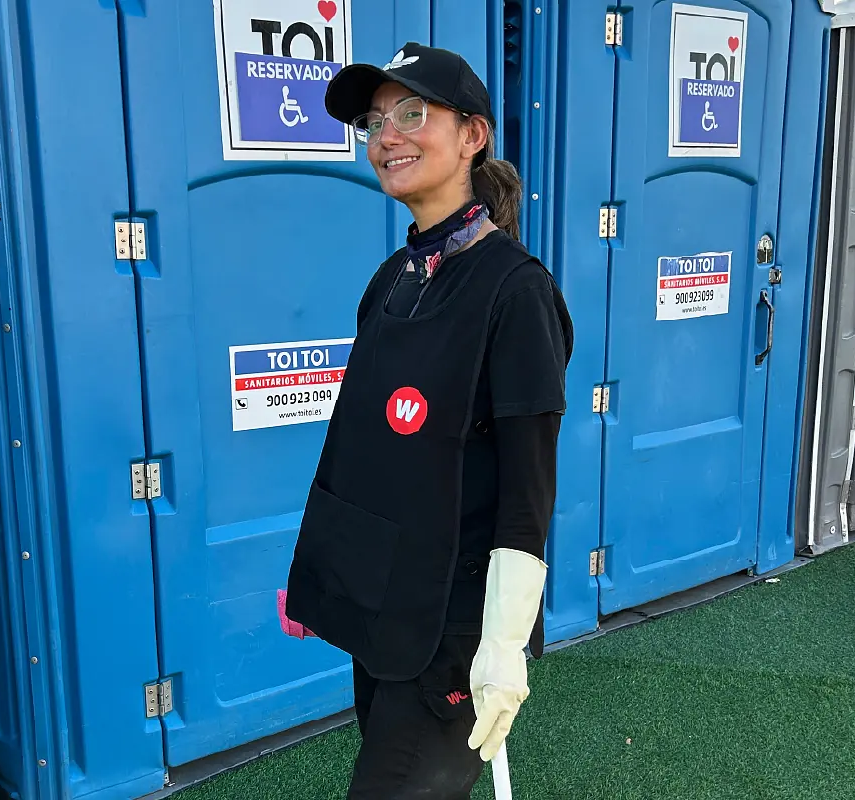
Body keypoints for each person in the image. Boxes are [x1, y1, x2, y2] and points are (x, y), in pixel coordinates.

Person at [283, 41, 573, 799]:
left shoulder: (516, 292)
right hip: (383, 615)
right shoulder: (395, 277)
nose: (388, 137)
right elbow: (361, 451)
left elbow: (527, 486)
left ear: (473, 135)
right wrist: (320, 577)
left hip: (452, 632)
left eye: (414, 114)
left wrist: (505, 644)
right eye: (376, 122)